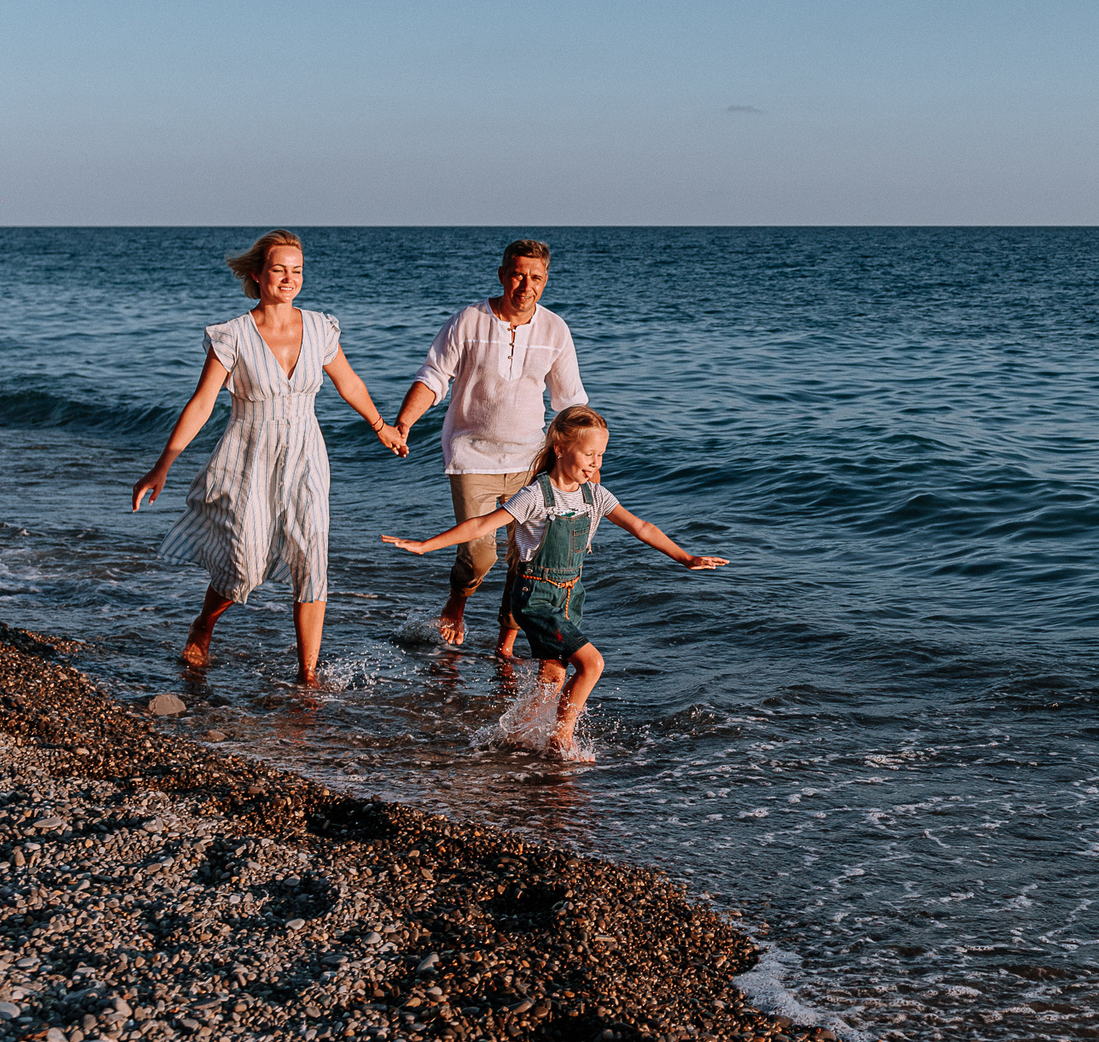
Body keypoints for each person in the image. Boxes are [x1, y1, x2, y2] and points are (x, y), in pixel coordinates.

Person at [133, 231, 407, 682]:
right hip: (247, 458)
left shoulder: (320, 328)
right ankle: (205, 623)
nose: (288, 278)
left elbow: (349, 383)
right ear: (258, 275)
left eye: (296, 270)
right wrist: (163, 465)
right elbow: (201, 403)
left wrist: (382, 428)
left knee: (311, 556)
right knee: (244, 560)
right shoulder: (234, 336)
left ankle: (308, 674)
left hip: (306, 456)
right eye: (279, 269)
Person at [382, 405, 725, 755]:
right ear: (560, 448)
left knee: (552, 678)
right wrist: (426, 545)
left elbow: (641, 527)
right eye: (589, 454)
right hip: (536, 597)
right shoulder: (536, 496)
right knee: (592, 664)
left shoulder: (596, 496)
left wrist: (685, 557)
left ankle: (509, 737)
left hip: (570, 596)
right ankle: (562, 737)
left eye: (601, 455)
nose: (596, 462)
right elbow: (482, 524)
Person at [390, 238, 587, 648]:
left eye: (535, 277)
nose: (525, 285)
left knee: (526, 558)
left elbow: (570, 404)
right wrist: (405, 421)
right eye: (517, 274)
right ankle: (457, 600)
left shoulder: (555, 330)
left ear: (546, 280)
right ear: (502, 275)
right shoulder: (469, 321)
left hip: (530, 460)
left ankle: (506, 640)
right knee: (481, 553)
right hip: (471, 455)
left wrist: (586, 462)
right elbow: (434, 376)